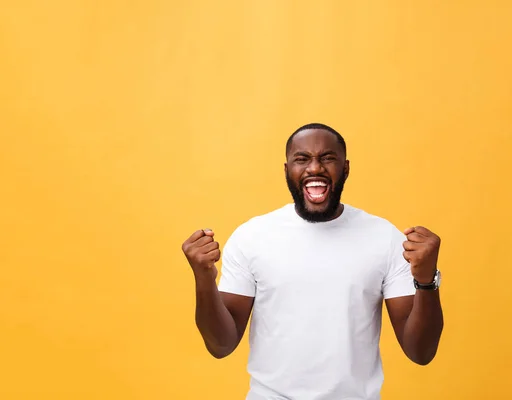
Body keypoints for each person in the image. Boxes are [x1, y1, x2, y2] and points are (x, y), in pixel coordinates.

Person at [181, 123, 444, 400]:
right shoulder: (252, 237)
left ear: (345, 169)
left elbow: (421, 352)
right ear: (287, 171)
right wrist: (204, 278)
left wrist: (426, 281)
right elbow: (221, 345)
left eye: (328, 158)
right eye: (302, 159)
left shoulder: (384, 238)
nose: (315, 168)